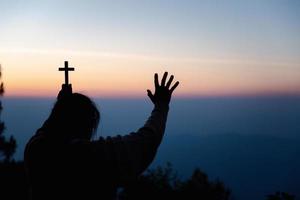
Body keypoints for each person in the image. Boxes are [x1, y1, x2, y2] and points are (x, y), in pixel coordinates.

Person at [24, 72, 179, 200]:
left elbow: (46, 131)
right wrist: (161, 106)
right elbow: (145, 141)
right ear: (86, 125)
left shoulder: (36, 151)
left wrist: (61, 107)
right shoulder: (90, 157)